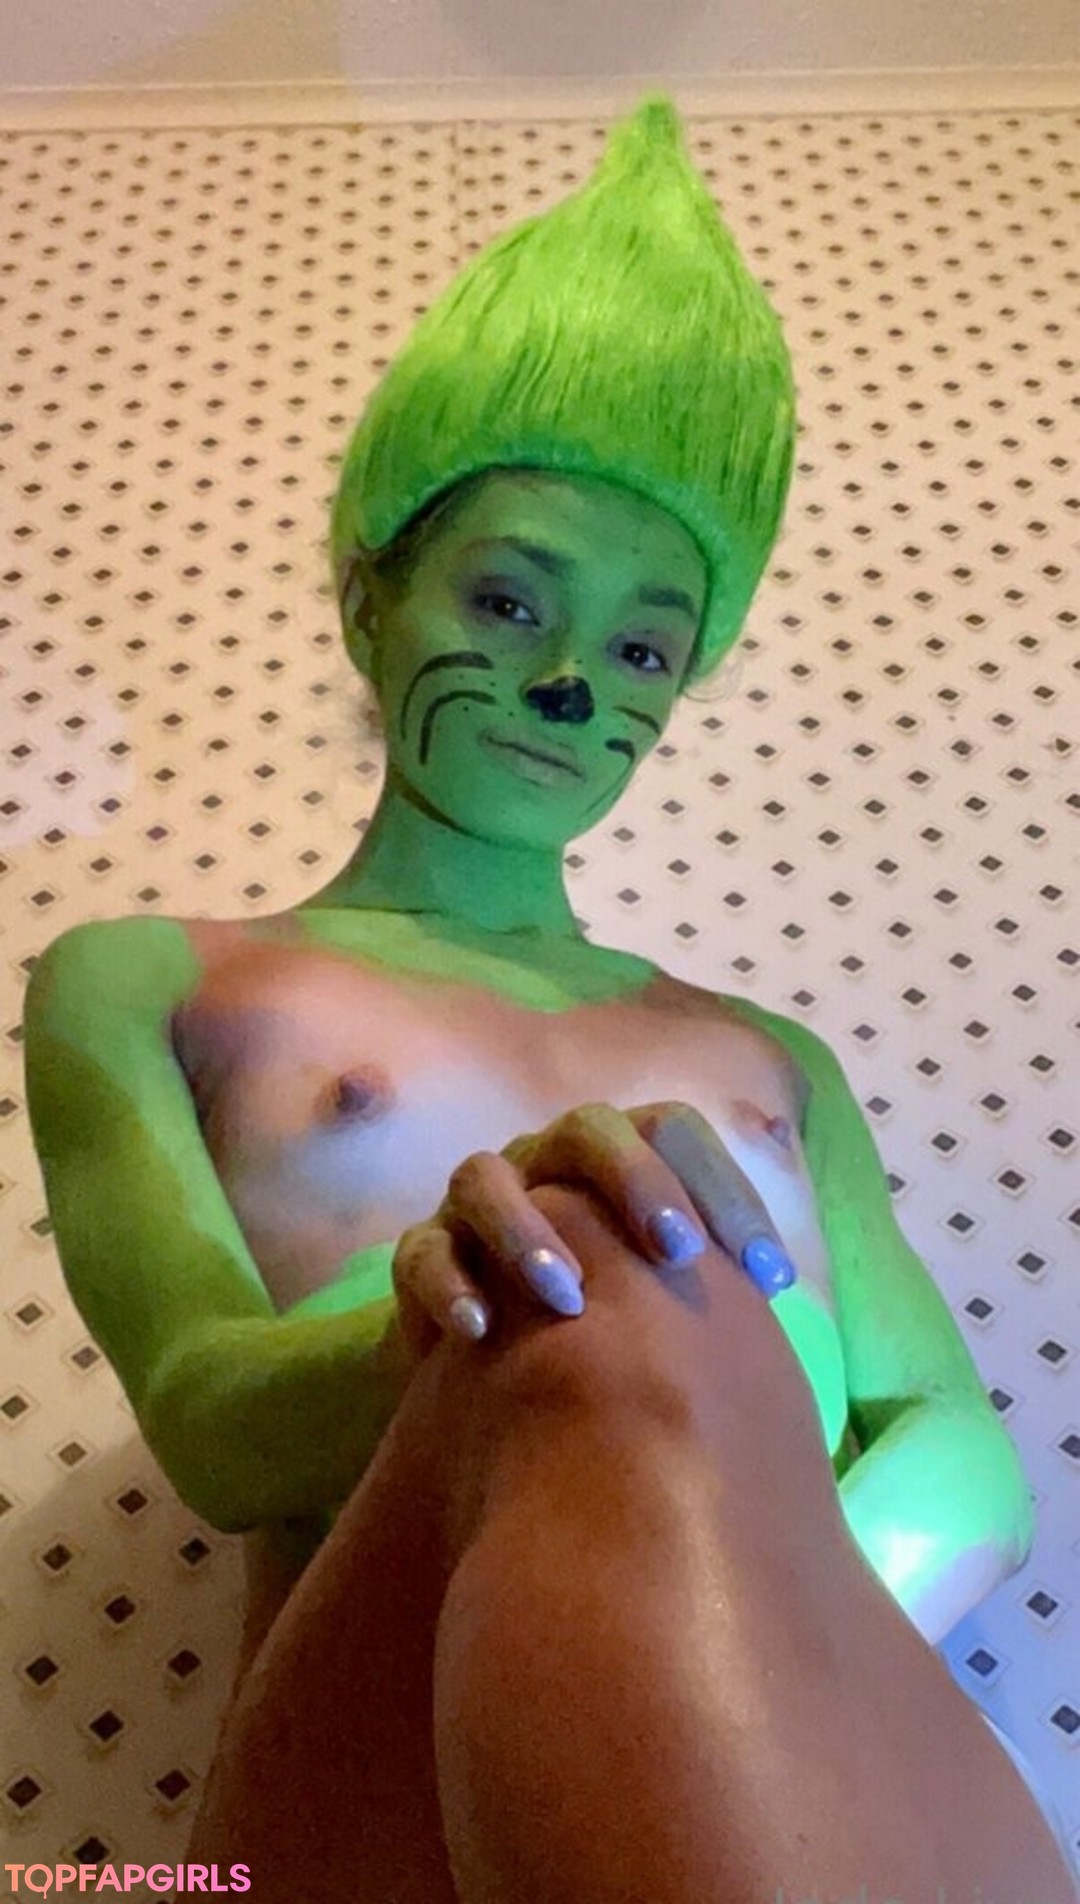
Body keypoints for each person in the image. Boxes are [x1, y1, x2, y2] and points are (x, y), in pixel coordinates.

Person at [22, 96, 1076, 1901]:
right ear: (372, 599)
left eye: (642, 645)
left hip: (825, 1766)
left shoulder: (769, 1055)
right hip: (374, 1783)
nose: (573, 681)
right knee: (598, 1254)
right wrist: (476, 1303)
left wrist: (741, 1625)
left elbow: (962, 1449)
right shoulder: (154, 976)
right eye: (511, 600)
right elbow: (206, 1418)